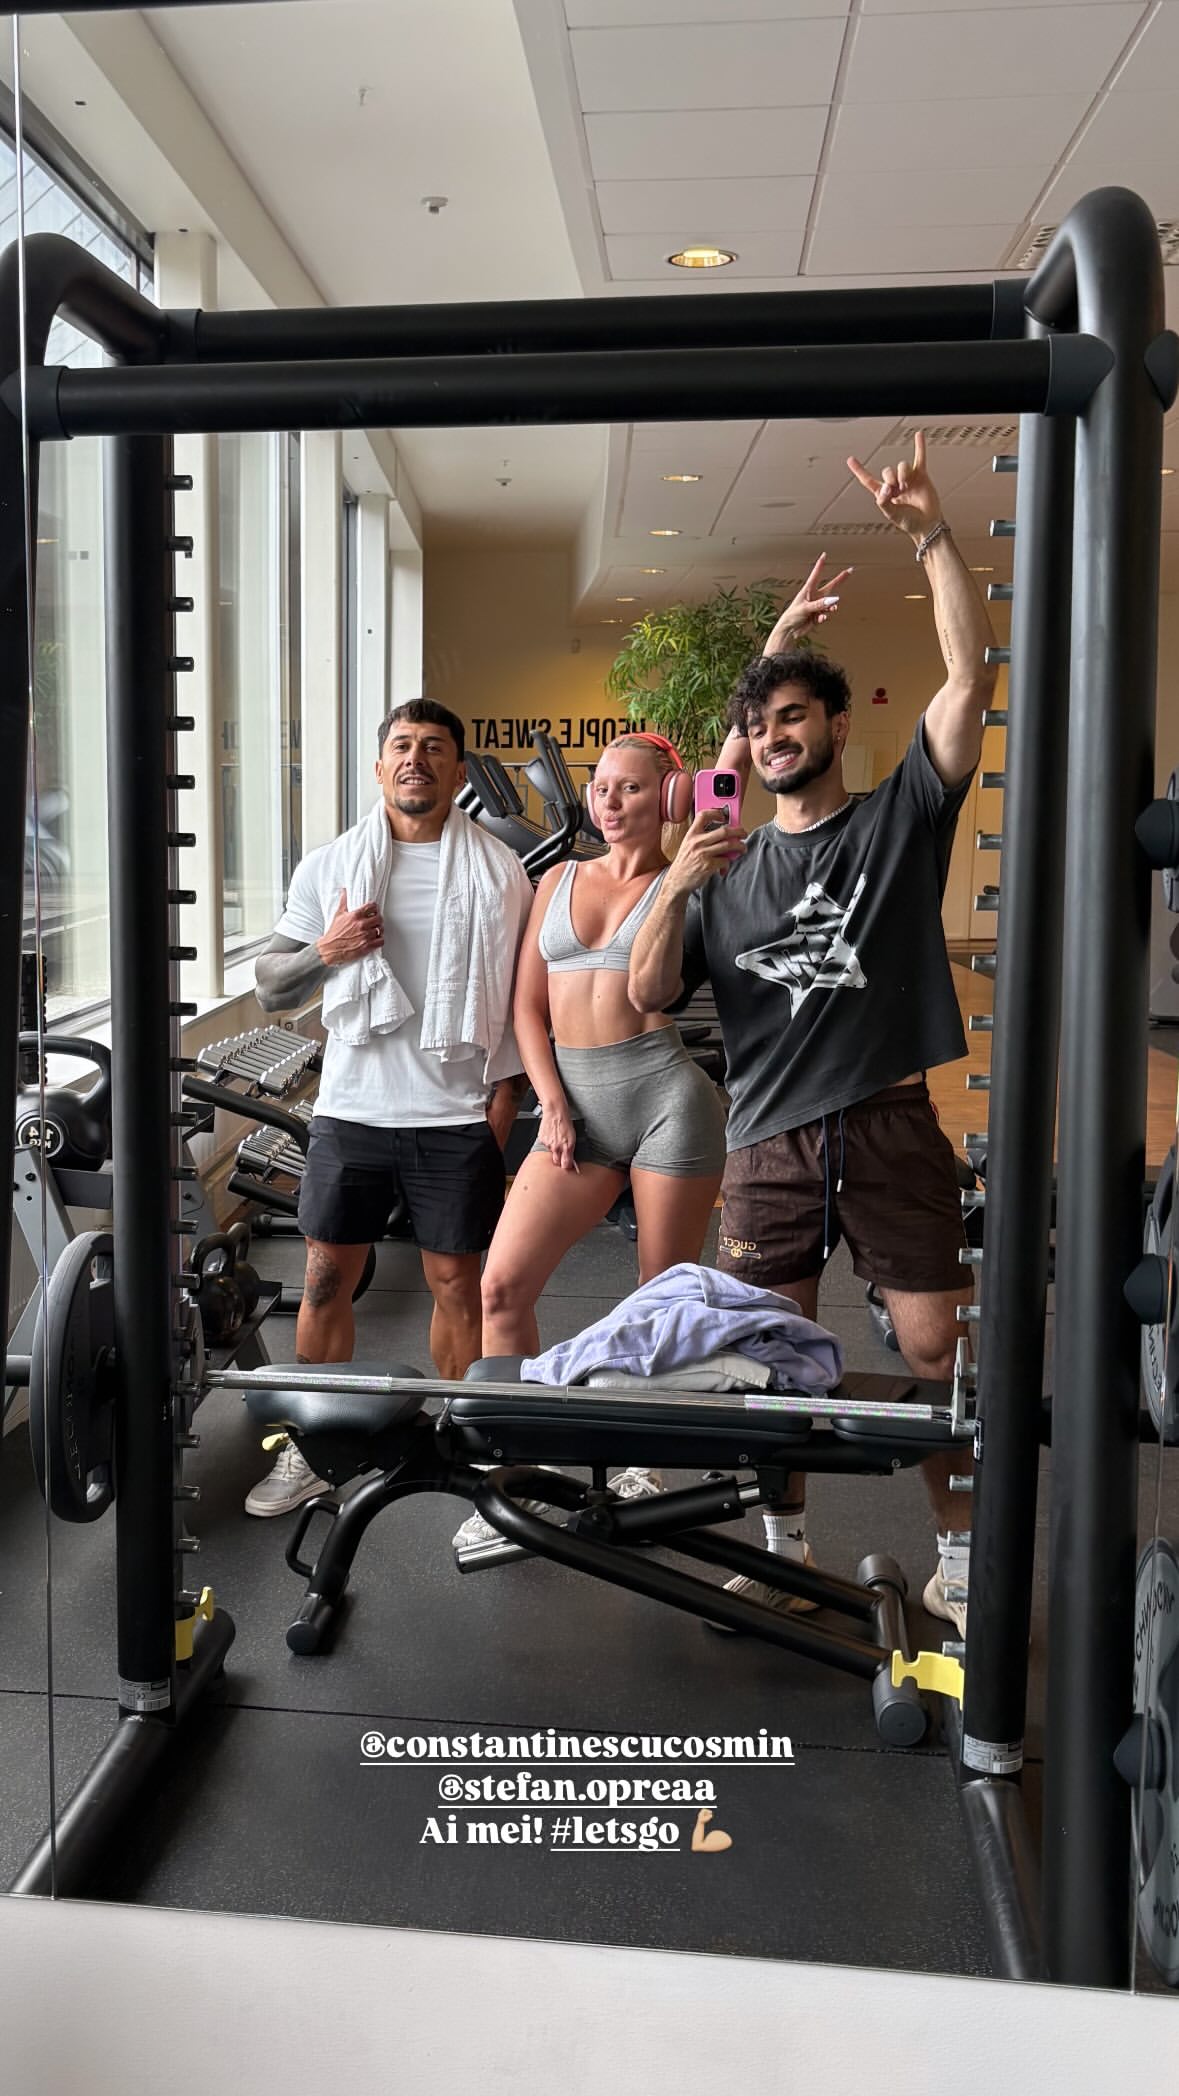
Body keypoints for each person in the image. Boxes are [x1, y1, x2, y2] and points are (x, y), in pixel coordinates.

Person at [629, 433, 996, 1635]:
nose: (776, 733)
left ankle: (957, 1553)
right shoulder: (720, 859)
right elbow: (646, 990)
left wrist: (932, 534)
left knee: (937, 1347)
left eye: (796, 714)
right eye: (762, 723)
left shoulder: (900, 818)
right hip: (769, 1142)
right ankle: (784, 1552)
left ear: (839, 723)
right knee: (767, 1356)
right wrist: (676, 881)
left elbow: (968, 677)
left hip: (889, 1122)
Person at [245, 697, 533, 1517]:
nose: (416, 759)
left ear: (457, 769)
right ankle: (313, 1451)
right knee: (324, 1281)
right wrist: (326, 950)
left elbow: (521, 1001)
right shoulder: (332, 865)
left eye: (434, 747)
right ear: (378, 768)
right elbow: (270, 988)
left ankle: (462, 1444)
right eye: (402, 746)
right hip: (352, 1112)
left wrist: (500, 1113)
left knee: (457, 1289)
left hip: (454, 1115)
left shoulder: (500, 873)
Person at [457, 736, 729, 1549]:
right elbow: (526, 1009)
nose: (609, 802)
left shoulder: (687, 882)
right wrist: (552, 1104)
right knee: (501, 1288)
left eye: (631, 788)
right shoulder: (558, 880)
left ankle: (649, 1465)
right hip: (571, 1107)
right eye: (601, 787)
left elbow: (728, 779)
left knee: (658, 1301)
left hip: (665, 1102)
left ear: (669, 797)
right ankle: (520, 1474)